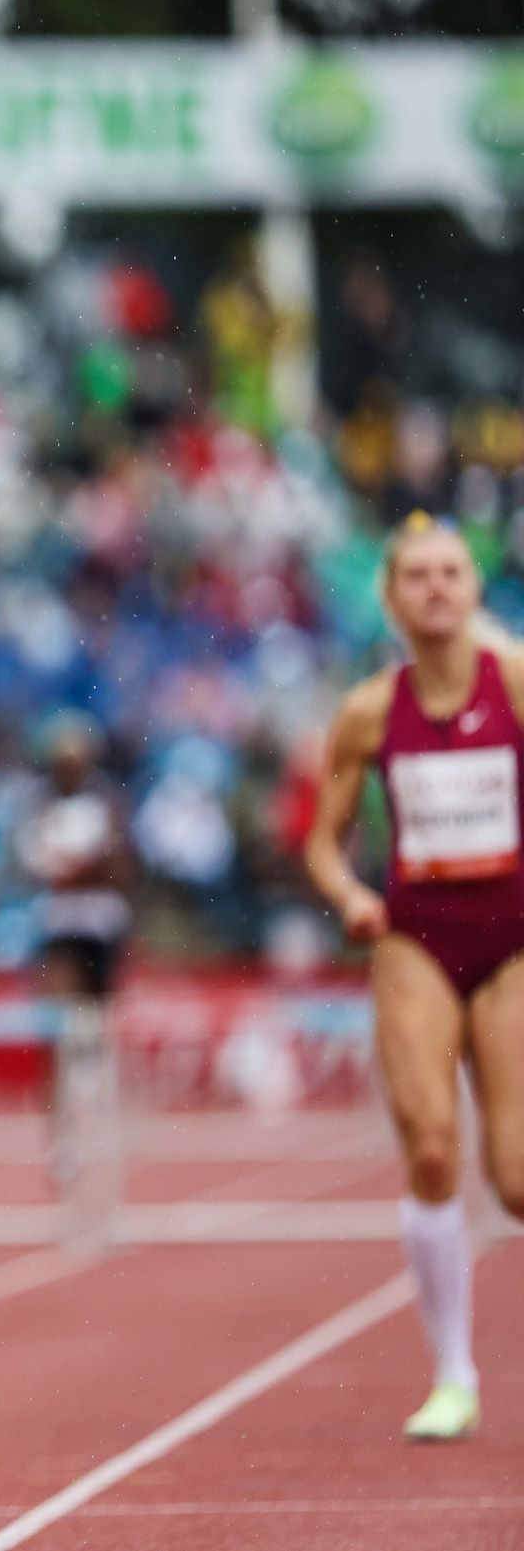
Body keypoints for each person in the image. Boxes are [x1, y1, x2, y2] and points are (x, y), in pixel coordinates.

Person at [306, 514, 524, 1443]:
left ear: (476, 589)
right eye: (418, 577)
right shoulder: (366, 711)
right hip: (415, 937)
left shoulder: (514, 680)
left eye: (452, 573)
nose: (437, 588)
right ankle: (453, 1376)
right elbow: (322, 842)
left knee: (516, 1180)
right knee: (431, 1147)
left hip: (514, 935)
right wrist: (350, 895)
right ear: (390, 599)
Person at [18, 713, 133, 1204]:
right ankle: (61, 1136)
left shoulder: (105, 801)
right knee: (60, 1030)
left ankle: (99, 1126)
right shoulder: (39, 806)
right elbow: (43, 869)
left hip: (101, 925)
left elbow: (118, 866)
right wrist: (84, 868)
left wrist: (82, 868)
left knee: (99, 1031)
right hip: (62, 926)